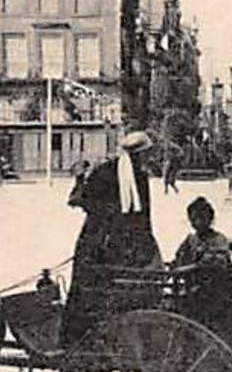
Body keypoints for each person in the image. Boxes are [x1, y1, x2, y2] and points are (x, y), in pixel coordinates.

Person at [61, 130, 163, 346]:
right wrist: (111, 214)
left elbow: (144, 217)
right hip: (100, 242)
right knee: (92, 292)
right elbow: (78, 200)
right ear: (139, 154)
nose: (150, 158)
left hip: (125, 243)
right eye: (148, 153)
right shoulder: (106, 172)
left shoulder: (138, 175)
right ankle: (83, 341)